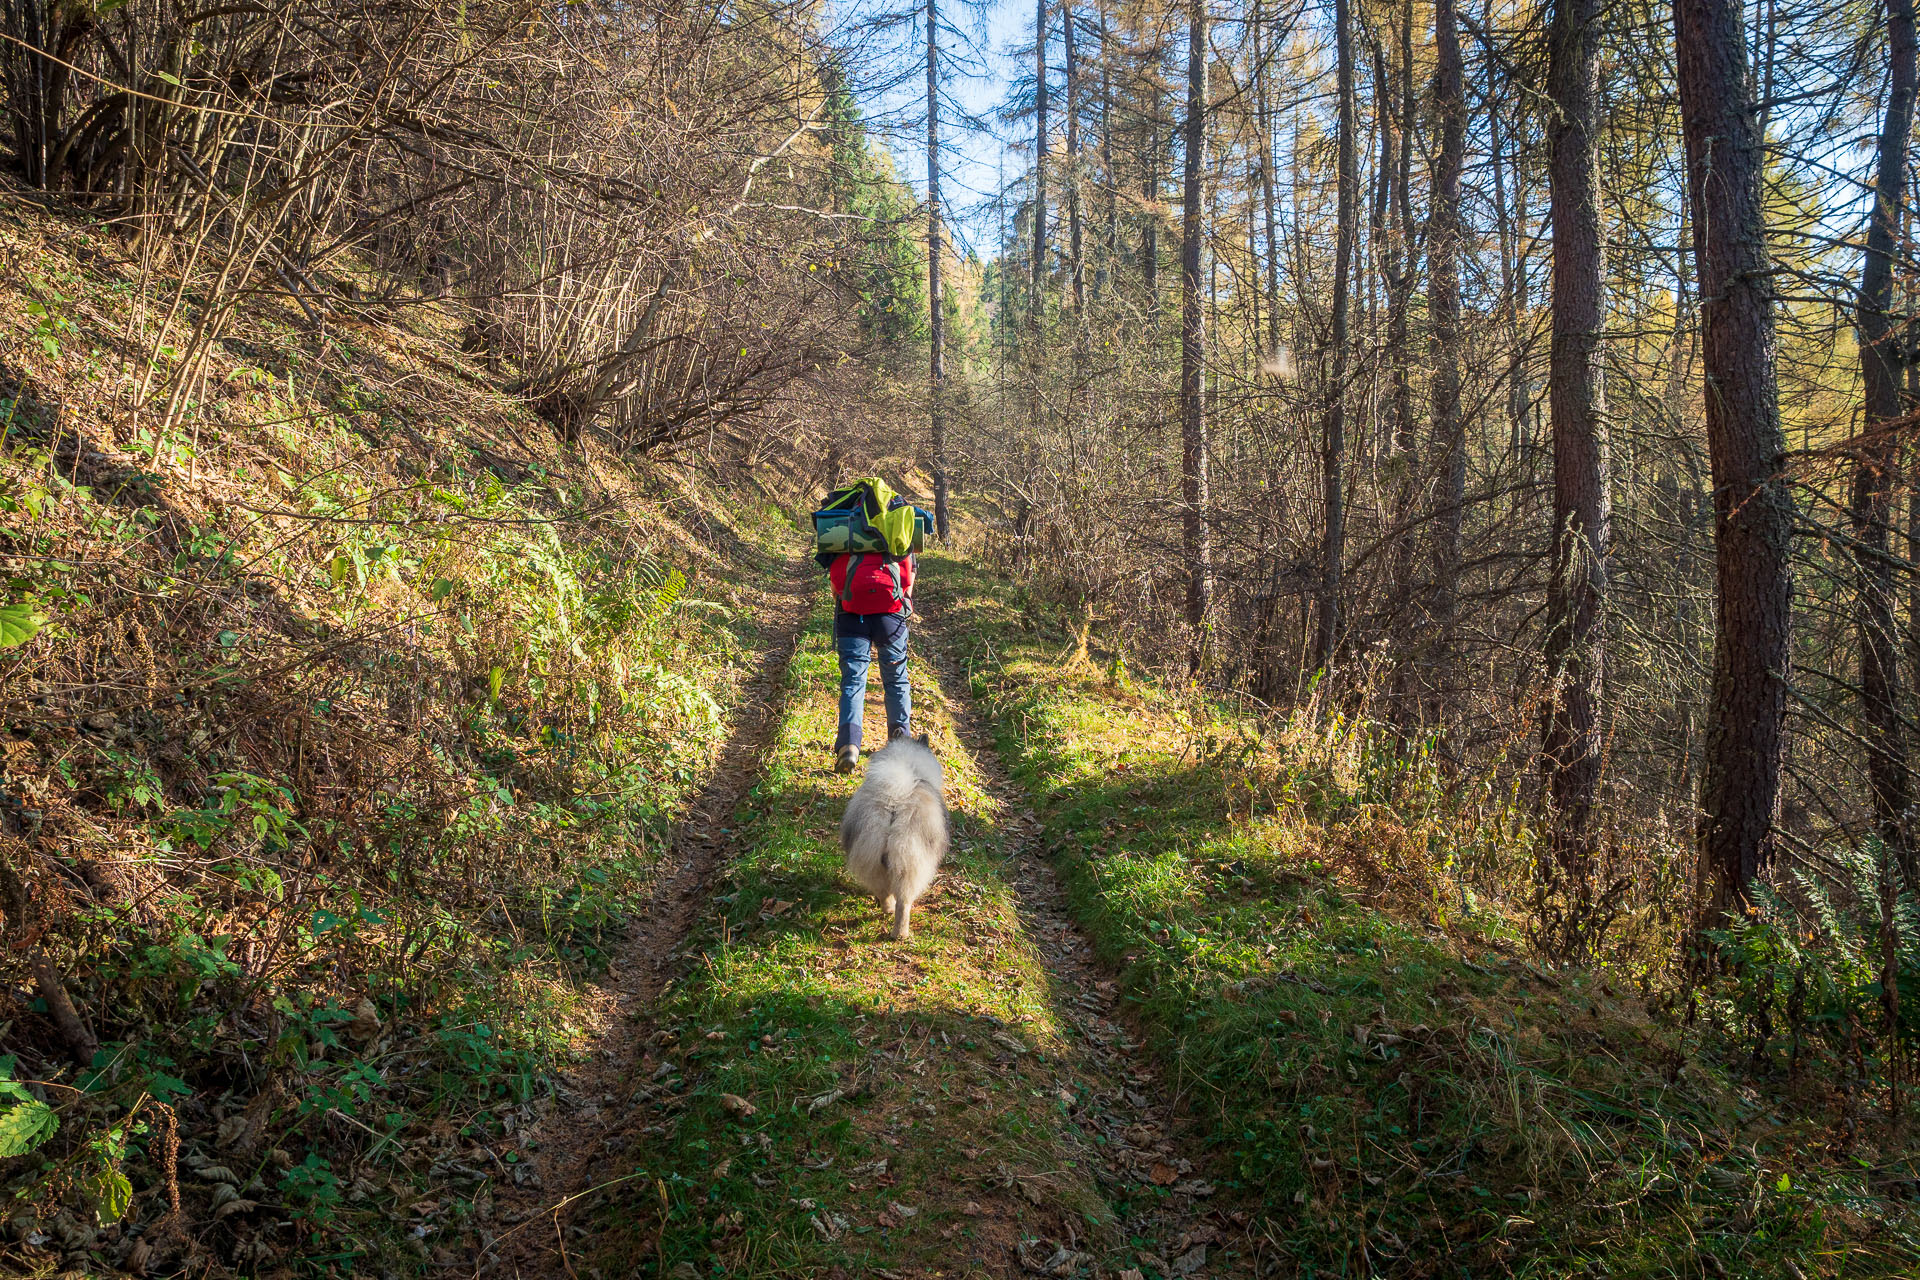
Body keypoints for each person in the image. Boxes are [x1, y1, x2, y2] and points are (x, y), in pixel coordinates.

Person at [826, 496, 929, 773]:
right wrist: (905, 599)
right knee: (896, 679)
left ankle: (849, 745)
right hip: (890, 616)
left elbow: (836, 580)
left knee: (853, 679)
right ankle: (900, 743)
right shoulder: (899, 529)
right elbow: (907, 580)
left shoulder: (846, 531)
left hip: (851, 615)